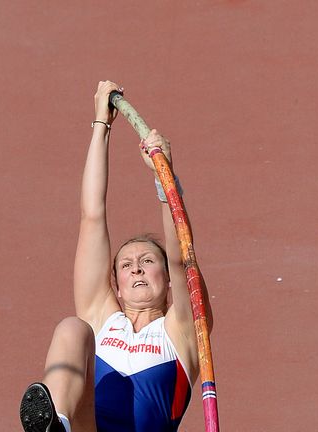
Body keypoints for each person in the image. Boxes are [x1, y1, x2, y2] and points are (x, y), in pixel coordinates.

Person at [19, 81, 213, 432]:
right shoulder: (103, 319)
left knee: (77, 328)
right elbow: (92, 215)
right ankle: (56, 425)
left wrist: (164, 180)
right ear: (117, 288)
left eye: (148, 261)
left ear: (167, 280)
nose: (136, 266)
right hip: (88, 427)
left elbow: (182, 257)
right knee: (73, 329)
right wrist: (100, 125)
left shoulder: (181, 331)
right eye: (126, 265)